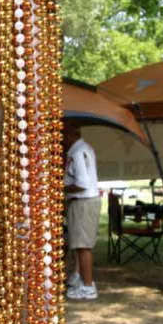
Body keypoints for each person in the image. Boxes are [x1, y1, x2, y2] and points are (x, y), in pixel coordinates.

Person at [64, 121, 101, 300]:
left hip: (83, 201)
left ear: (71, 135)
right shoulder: (83, 148)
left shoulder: (78, 153)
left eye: (61, 135)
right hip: (84, 202)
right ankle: (79, 278)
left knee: (83, 246)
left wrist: (61, 189)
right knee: (79, 244)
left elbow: (82, 183)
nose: (59, 140)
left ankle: (88, 286)